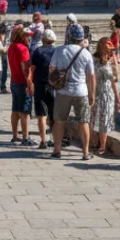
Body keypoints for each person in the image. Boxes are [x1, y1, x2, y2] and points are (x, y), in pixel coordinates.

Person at [49, 22, 96, 160]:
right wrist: (92, 94)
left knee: (59, 121)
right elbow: (91, 76)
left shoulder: (59, 50)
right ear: (82, 38)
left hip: (63, 91)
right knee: (83, 122)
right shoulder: (86, 54)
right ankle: (85, 152)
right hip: (81, 91)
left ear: (69, 36)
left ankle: (57, 150)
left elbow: (51, 70)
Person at [91, 36, 120, 155]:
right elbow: (89, 77)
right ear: (101, 46)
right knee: (93, 118)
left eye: (110, 46)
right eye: (107, 45)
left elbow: (114, 81)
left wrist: (118, 99)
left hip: (107, 94)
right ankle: (94, 143)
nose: (109, 48)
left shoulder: (112, 59)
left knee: (104, 119)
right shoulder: (93, 59)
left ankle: (102, 145)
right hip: (95, 92)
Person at [29, 27, 57, 149]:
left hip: (39, 84)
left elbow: (32, 68)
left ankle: (43, 141)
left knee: (41, 114)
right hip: (53, 85)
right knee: (54, 115)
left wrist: (30, 82)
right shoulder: (56, 51)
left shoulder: (37, 51)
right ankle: (55, 140)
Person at [7, 25, 34, 146]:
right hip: (23, 83)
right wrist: (29, 84)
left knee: (15, 109)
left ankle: (15, 135)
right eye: (27, 36)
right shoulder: (23, 49)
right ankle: (25, 137)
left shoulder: (11, 47)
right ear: (22, 37)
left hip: (14, 81)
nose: (29, 39)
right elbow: (26, 69)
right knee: (24, 111)